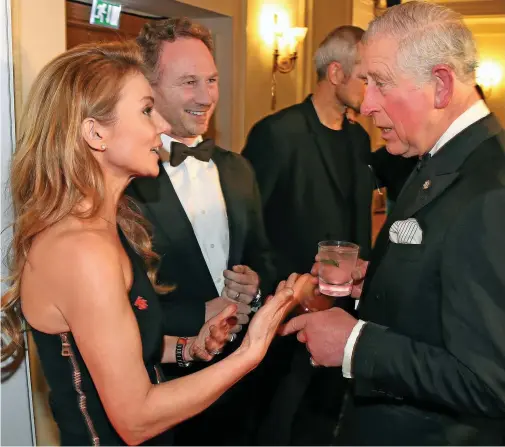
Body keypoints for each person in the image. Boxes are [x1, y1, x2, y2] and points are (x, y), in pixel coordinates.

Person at [0, 41, 302, 446]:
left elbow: (121, 345)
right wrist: (252, 348)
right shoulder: (81, 251)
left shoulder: (108, 226)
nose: (160, 125)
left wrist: (189, 349)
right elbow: (136, 419)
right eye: (145, 110)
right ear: (95, 133)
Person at [281, 2, 505, 445]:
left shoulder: (489, 192)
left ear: (440, 84)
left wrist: (354, 347)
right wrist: (385, 277)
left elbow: (490, 381)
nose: (366, 105)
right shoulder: (437, 159)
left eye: (380, 83)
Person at [126, 18, 276, 445]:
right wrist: (201, 317)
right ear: (148, 86)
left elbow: (263, 253)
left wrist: (257, 283)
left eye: (211, 80)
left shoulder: (238, 168)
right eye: (189, 82)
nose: (206, 96)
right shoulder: (124, 182)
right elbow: (118, 305)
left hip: (242, 382)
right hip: (163, 386)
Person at [242, 26, 374, 445]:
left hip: (344, 314)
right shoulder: (277, 133)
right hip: (286, 313)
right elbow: (250, 227)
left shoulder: (357, 138)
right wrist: (298, 290)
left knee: (321, 427)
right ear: (335, 73)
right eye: (364, 77)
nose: (371, 88)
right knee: (275, 427)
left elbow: (358, 224)